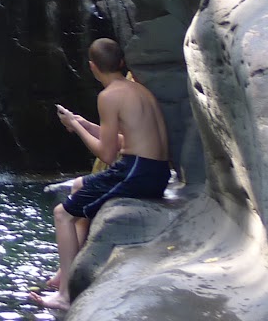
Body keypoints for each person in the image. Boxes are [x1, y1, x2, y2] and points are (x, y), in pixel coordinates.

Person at [31, 39, 171, 312]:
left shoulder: (108, 96)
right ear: (120, 63)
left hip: (137, 171)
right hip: (154, 169)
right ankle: (65, 270)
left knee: (63, 213)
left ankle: (64, 296)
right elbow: (124, 141)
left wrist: (74, 127)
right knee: (80, 186)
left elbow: (106, 155)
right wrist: (85, 123)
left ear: (92, 67)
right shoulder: (138, 89)